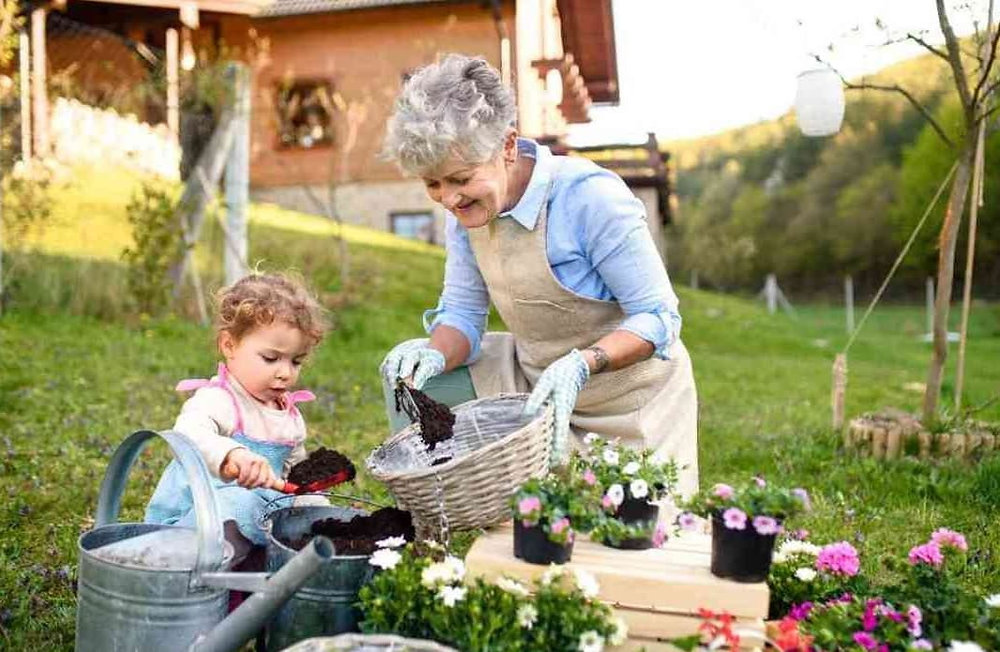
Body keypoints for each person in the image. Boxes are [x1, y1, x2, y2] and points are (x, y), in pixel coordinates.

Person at [379, 54, 699, 497]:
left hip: (628, 401)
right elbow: (464, 315)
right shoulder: (467, 212)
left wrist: (583, 363)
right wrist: (434, 354)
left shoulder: (591, 198)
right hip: (535, 384)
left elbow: (659, 317)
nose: (448, 199)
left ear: (507, 146)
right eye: (432, 184)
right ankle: (441, 511)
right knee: (414, 376)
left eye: (460, 179)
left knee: (622, 542)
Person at [145, 273, 329, 565]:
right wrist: (232, 454)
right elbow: (188, 435)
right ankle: (191, 574)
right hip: (195, 520)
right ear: (229, 345)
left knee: (307, 512)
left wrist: (310, 498)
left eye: (296, 361)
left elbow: (295, 473)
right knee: (241, 500)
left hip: (257, 518)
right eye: (271, 358)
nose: (285, 372)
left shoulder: (289, 416)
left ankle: (254, 578)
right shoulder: (220, 400)